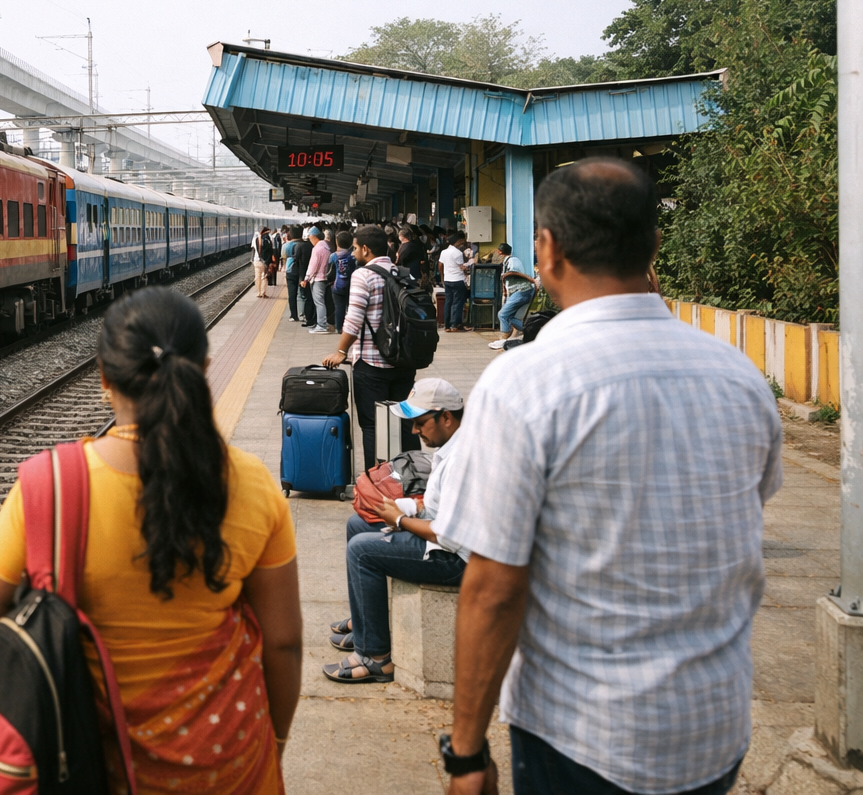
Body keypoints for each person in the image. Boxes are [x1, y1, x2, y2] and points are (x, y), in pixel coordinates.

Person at [434, 158, 782, 795]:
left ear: (546, 250)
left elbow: (493, 589)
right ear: (652, 246)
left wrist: (466, 753)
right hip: (714, 729)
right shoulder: (741, 378)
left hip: (584, 738)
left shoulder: (526, 383)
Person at [0, 287, 302, 794]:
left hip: (87, 763)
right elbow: (283, 641)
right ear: (203, 370)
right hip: (225, 767)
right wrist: (272, 742)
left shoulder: (50, 485)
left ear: (103, 377)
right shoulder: (251, 484)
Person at [325, 378, 468, 683]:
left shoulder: (461, 460)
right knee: (358, 524)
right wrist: (405, 508)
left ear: (446, 417)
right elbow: (442, 509)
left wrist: (401, 521)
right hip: (445, 541)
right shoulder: (452, 445)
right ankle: (365, 625)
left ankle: (375, 656)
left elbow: (450, 535)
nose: (415, 431)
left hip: (456, 560)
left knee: (362, 550)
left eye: (419, 423)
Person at [320, 225, 421, 471]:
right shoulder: (402, 272)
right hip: (404, 362)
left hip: (372, 365)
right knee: (404, 420)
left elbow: (353, 320)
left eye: (355, 248)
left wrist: (341, 352)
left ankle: (376, 482)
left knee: (372, 424)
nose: (353, 253)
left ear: (365, 249)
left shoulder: (363, 275)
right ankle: (413, 478)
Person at [488, 242, 537, 350]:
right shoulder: (506, 262)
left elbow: (513, 272)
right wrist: (505, 290)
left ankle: (503, 339)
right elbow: (506, 278)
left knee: (502, 314)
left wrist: (531, 279)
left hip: (522, 291)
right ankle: (532, 333)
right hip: (515, 292)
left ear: (500, 252)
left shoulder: (513, 261)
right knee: (510, 317)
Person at [302, 227, 332, 334]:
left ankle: (322, 325)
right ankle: (323, 323)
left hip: (317, 279)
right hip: (324, 278)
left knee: (319, 302)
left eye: (310, 237)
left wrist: (306, 278)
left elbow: (313, 265)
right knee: (321, 302)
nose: (309, 239)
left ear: (314, 237)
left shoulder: (317, 249)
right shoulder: (326, 247)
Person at [439, 232, 470, 332]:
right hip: (457, 280)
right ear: (457, 242)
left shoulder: (444, 252)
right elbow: (461, 267)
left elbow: (440, 265)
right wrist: (467, 267)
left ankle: (447, 325)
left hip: (448, 279)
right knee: (457, 303)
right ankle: (455, 325)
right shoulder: (458, 253)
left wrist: (442, 278)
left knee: (448, 302)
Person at [330, 231, 355, 334]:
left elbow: (329, 271)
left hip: (337, 285)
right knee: (352, 307)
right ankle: (352, 327)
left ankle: (338, 327)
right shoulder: (353, 255)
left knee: (339, 307)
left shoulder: (334, 256)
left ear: (337, 242)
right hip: (352, 284)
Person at [283, 227, 310, 325]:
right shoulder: (305, 245)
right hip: (303, 271)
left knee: (292, 294)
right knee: (302, 293)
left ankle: (293, 315)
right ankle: (302, 314)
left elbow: (284, 257)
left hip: (290, 271)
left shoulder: (286, 246)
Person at [251, 227, 272, 298]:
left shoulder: (256, 239)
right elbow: (270, 251)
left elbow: (253, 249)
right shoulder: (267, 239)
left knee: (257, 277)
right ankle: (263, 292)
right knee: (264, 277)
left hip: (256, 260)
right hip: (264, 261)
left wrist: (252, 259)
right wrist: (270, 262)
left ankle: (258, 292)